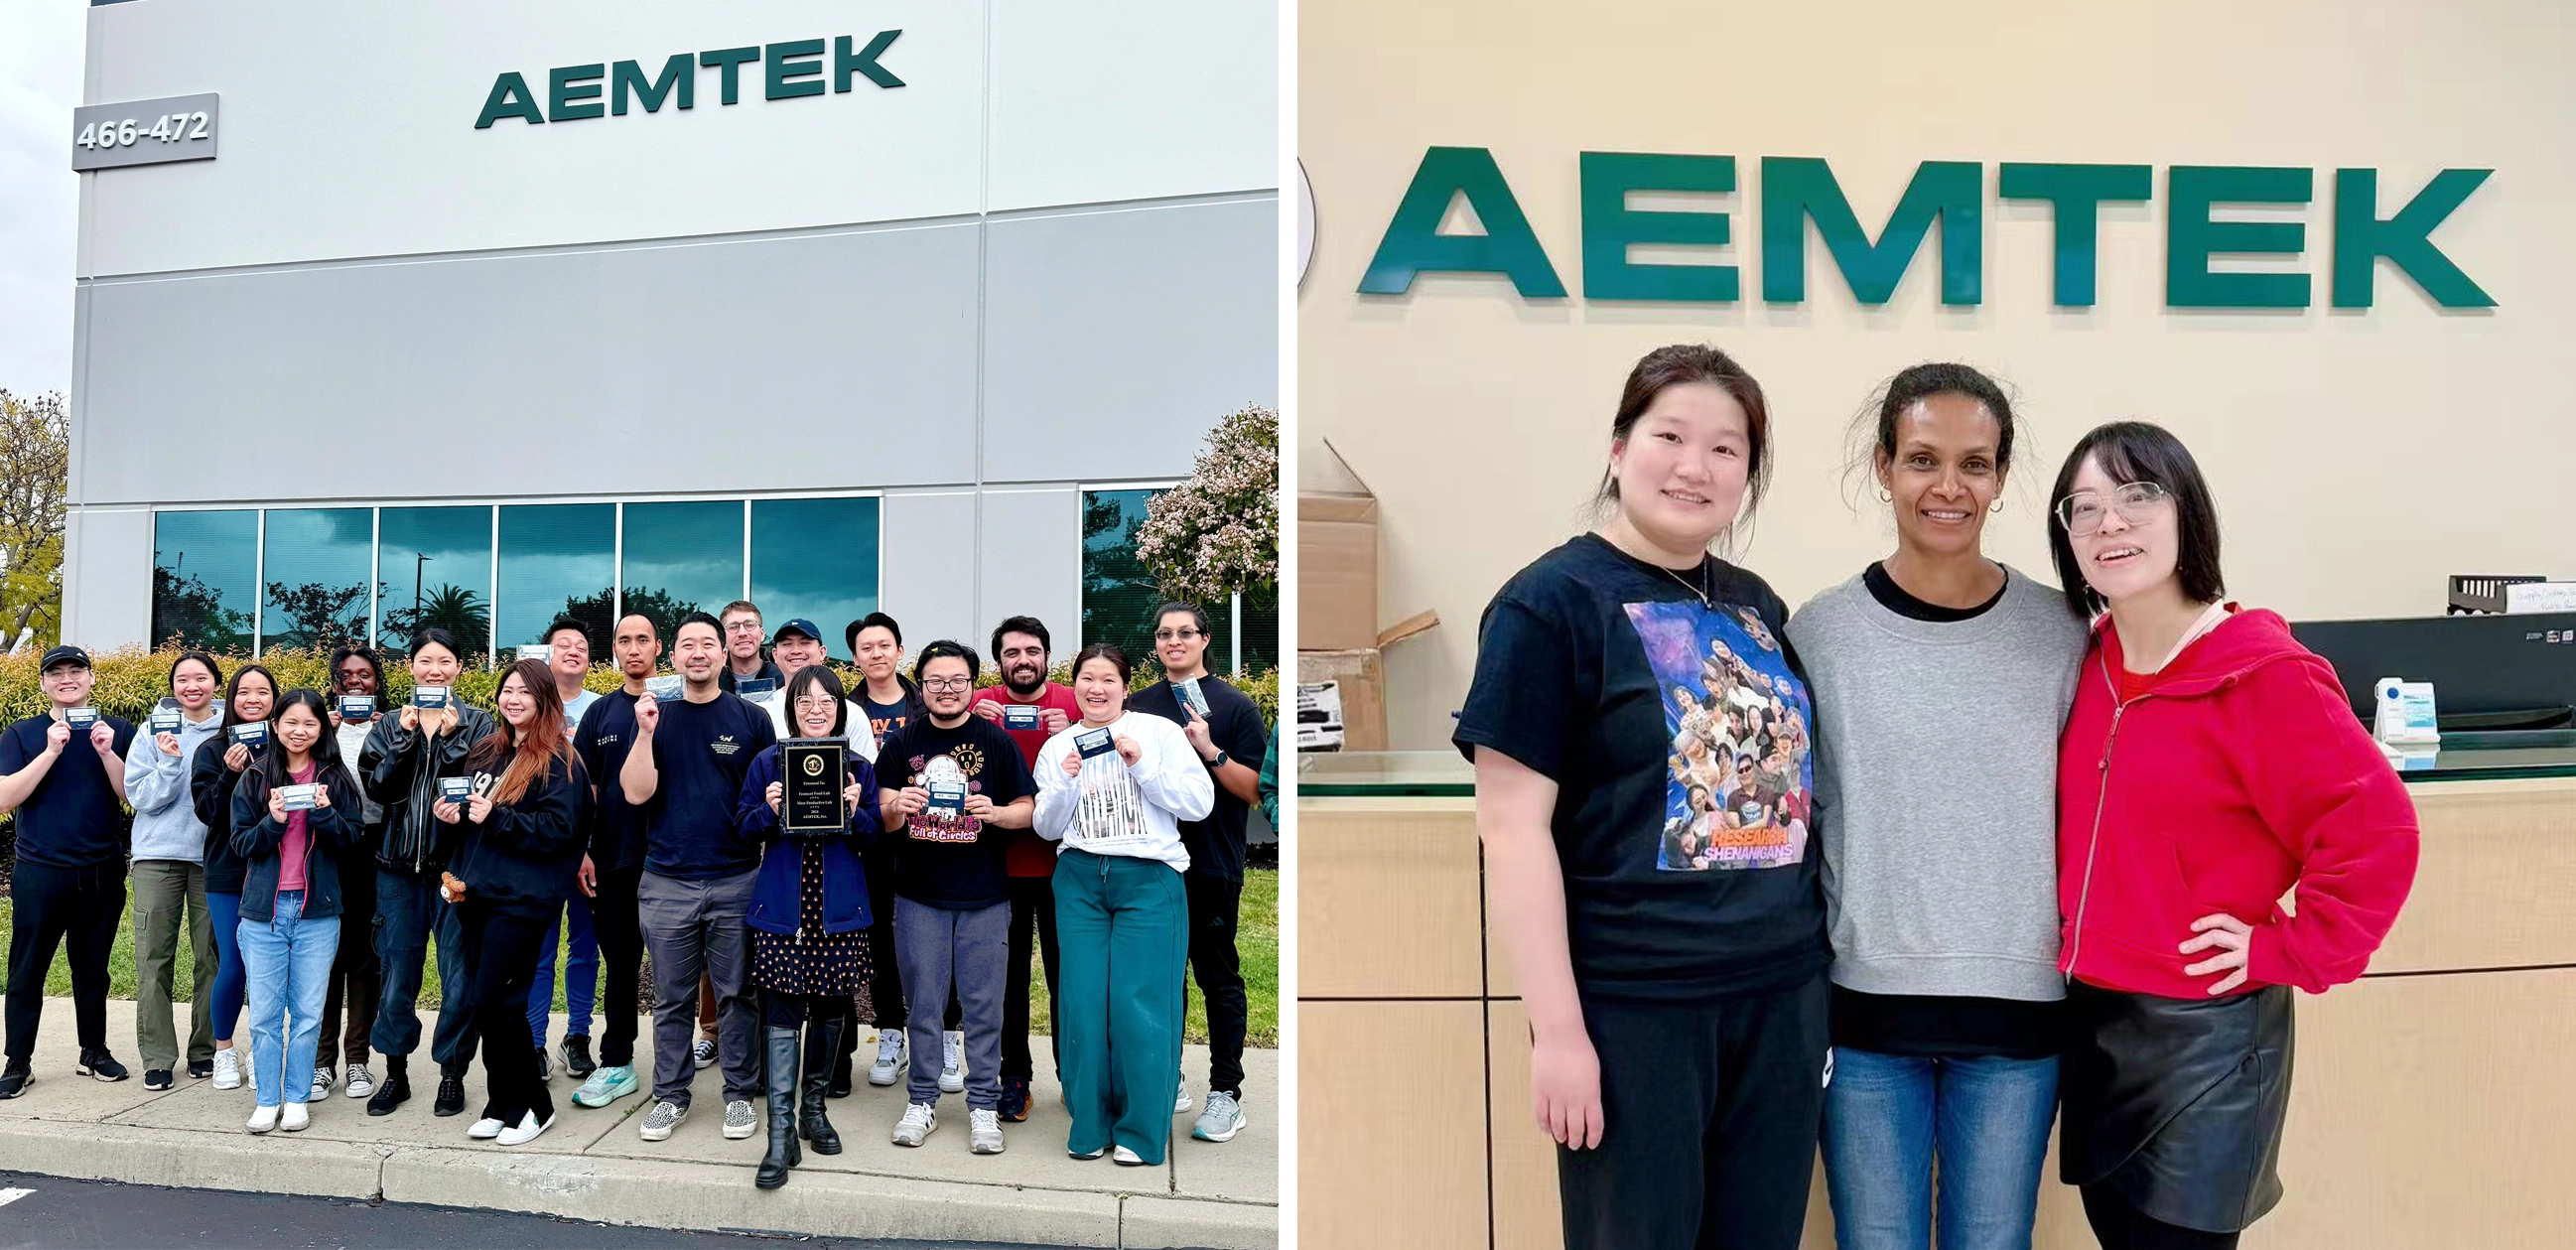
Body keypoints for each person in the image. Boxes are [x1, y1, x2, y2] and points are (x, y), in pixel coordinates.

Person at [1455, 344, 1828, 1250]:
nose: (1694, 466)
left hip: (1780, 996)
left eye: (1726, 448)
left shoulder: (1754, 605)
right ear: (1620, 447)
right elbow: (1509, 832)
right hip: (1636, 1007)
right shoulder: (1549, 604)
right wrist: (1558, 1034)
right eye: (1669, 435)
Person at [2046, 422, 2419, 1250]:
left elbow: (2377, 828)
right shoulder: (2088, 658)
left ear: (2188, 515)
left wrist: (2284, 948)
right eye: (2084, 506)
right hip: (2092, 1023)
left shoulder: (2261, 671)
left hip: (2204, 1044)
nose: (2110, 522)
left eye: (2137, 495)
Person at [1783, 364, 2086, 1250]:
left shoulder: (2062, 632)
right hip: (1866, 1019)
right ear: (1883, 466)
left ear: (2000, 475)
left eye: (1974, 463)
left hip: (2019, 1018)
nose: (1947, 486)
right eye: (1921, 458)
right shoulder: (1821, 631)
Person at [1032, 643, 1213, 1167]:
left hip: (1148, 879)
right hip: (1080, 880)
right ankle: (1090, 1123)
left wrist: (1142, 764)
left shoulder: (1158, 732)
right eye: (1087, 678)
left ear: (1125, 686)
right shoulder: (1059, 746)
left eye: (1108, 679)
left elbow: (1198, 805)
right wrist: (1064, 782)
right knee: (1083, 1005)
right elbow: (1046, 826)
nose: (1096, 688)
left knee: (1141, 1007)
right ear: (1077, 685)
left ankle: (1139, 1131)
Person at [877, 640, 1036, 1155]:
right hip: (920, 894)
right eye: (935, 682)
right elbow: (881, 811)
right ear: (920, 687)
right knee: (923, 1003)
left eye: (957, 681)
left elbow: (1028, 808)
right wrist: (899, 803)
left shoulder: (995, 740)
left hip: (985, 896)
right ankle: (921, 1100)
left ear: (973, 683)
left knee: (985, 1006)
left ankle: (984, 1106)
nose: (946, 691)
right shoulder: (904, 742)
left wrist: (996, 812)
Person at [626, 612, 778, 1144]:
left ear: (722, 655)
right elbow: (635, 792)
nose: (698, 653)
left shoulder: (751, 719)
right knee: (671, 997)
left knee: (738, 994)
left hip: (737, 877)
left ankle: (739, 1094)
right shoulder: (652, 716)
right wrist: (644, 735)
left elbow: (766, 799)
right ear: (674, 657)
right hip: (666, 880)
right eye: (687, 644)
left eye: (707, 644)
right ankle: (670, 1096)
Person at [736, 664, 881, 1187]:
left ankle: (814, 1111)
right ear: (791, 710)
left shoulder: (858, 767)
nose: (815, 710)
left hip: (837, 909)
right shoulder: (767, 762)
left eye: (826, 702)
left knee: (828, 1010)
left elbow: (871, 840)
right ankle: (780, 1135)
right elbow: (743, 826)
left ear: (840, 710)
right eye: (804, 702)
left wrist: (855, 810)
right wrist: (770, 809)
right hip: (783, 909)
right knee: (780, 1012)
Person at [1129, 602, 1268, 1143]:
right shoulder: (1138, 704)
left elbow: (1256, 790)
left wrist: (1209, 750)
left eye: (1185, 633)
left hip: (1211, 863)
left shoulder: (1236, 706)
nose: (1174, 642)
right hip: (1151, 860)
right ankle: (1170, 1076)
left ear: (1206, 639)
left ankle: (1226, 1093)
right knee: (1161, 979)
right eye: (1164, 634)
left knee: (1216, 977)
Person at [437, 659, 590, 1148]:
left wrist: (495, 817)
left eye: (525, 691)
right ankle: (501, 1105)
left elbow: (560, 832)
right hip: (477, 894)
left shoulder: (561, 760)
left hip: (523, 901)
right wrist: (453, 815)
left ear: (545, 699)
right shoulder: (488, 751)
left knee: (496, 1002)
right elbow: (472, 817)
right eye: (506, 690)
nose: (513, 699)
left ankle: (536, 1107)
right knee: (491, 1005)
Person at [360, 627, 496, 1117]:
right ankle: (395, 1073)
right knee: (396, 974)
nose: (434, 669)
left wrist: (449, 741)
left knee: (459, 976)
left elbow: (473, 788)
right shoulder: (389, 724)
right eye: (424, 661)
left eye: (444, 661)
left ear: (459, 668)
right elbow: (379, 789)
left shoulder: (479, 724)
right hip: (396, 870)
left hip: (454, 874)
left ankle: (452, 1074)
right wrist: (407, 739)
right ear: (411, 667)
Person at [0, 645, 139, 1098]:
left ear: (91, 678)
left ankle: (93, 1052)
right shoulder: (21, 734)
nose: (66, 679)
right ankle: (18, 1061)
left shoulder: (117, 730)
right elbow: (5, 798)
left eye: (75, 670)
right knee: (27, 970)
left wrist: (105, 753)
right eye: (55, 673)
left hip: (101, 870)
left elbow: (132, 795)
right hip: (40, 871)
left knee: (93, 968)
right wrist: (49, 752)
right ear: (42, 683)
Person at [228, 689, 364, 1134]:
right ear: (275, 725)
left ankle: (297, 1097)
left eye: (309, 723)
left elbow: (352, 840)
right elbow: (241, 844)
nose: (299, 731)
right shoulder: (253, 778)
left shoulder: (336, 779)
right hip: (263, 913)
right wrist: (273, 820)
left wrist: (324, 813)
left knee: (308, 1013)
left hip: (317, 913)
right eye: (290, 722)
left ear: (322, 728)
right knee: (266, 1015)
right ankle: (267, 1099)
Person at [967, 615, 1078, 1121]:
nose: (1023, 660)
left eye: (1032, 651)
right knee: (1006, 983)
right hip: (999, 869)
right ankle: (1014, 1078)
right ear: (998, 663)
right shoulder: (976, 704)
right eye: (1012, 653)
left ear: (1047, 658)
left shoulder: (1077, 703)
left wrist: (1076, 730)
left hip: (1065, 869)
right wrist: (975, 724)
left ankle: (1074, 1077)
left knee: (1069, 979)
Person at [837, 611, 934, 1095]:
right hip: (871, 839)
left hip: (928, 838)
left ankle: (941, 1036)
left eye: (884, 645)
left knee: (931, 937)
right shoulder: (845, 709)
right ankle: (891, 1033)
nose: (876, 654)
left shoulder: (926, 703)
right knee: (878, 937)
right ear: (855, 658)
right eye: (865, 648)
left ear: (900, 650)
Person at [121, 650, 226, 1091]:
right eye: (182, 679)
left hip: (212, 859)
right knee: (153, 959)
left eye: (200, 678)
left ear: (216, 684)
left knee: (212, 960)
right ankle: (158, 1057)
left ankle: (206, 1051)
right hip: (157, 857)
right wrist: (168, 761)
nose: (191, 686)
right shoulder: (152, 729)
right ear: (173, 687)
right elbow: (139, 797)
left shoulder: (231, 728)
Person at [568, 614, 661, 1111]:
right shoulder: (600, 714)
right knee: (621, 964)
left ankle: (692, 1060)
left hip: (675, 863)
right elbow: (585, 791)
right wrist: (583, 849)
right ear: (615, 652)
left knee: (685, 971)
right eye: (624, 640)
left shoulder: (678, 706)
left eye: (642, 639)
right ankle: (617, 1060)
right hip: (614, 859)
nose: (633, 648)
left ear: (658, 647)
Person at [191, 663, 276, 1092]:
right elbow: (207, 812)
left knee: (271, 967)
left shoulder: (286, 746)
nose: (253, 700)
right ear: (232, 698)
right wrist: (230, 773)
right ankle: (224, 1050)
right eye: (244, 692)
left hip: (276, 871)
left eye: (263, 692)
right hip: (227, 871)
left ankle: (264, 1050)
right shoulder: (212, 748)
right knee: (234, 963)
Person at [527, 616, 603, 1086]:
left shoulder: (599, 711)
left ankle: (577, 1036)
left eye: (580, 645)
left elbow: (599, 787)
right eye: (562, 645)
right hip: (541, 852)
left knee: (585, 949)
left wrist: (586, 847)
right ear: (546, 654)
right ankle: (534, 1040)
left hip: (589, 852)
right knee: (539, 950)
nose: (572, 650)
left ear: (589, 660)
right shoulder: (526, 704)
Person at [317, 645, 389, 1103]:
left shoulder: (393, 726)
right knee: (323, 954)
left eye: (364, 675)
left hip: (375, 846)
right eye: (347, 676)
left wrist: (393, 739)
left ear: (376, 682)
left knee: (365, 955)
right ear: (335, 683)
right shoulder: (319, 725)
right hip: (326, 848)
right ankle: (322, 1063)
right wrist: (326, 732)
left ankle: (358, 1058)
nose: (356, 682)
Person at [757, 618, 877, 764]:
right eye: (787, 644)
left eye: (805, 643)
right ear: (775, 655)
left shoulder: (851, 712)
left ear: (822, 652)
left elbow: (866, 769)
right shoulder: (761, 712)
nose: (795, 651)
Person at [718, 599, 784, 696]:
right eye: (733, 627)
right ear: (723, 637)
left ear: (762, 634)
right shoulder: (713, 681)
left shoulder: (781, 678)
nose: (742, 633)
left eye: (749, 625)